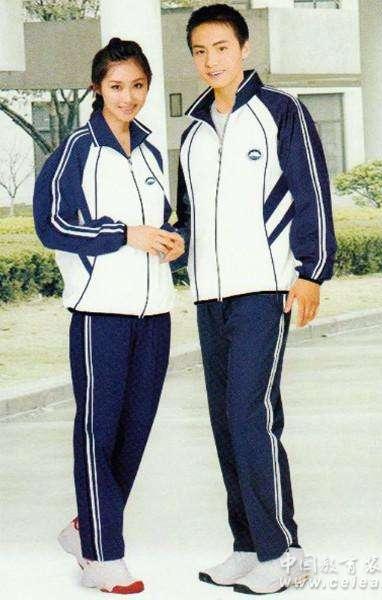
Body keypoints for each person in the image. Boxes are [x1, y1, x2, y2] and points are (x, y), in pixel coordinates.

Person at [173, 4, 337, 595]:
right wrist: (173, 242)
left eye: (221, 47)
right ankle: (247, 545)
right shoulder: (193, 131)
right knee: (225, 421)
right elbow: (189, 215)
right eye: (200, 50)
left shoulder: (280, 111)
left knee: (251, 414)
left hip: (264, 290)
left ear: (243, 49)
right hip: (209, 295)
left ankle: (283, 551)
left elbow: (311, 188)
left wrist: (313, 271)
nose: (210, 60)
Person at [33, 37, 184, 594]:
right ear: (97, 88)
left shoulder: (149, 152)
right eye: (117, 86)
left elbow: (162, 220)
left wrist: (173, 241)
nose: (128, 97)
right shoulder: (76, 150)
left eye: (138, 86)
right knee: (98, 432)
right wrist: (122, 234)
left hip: (155, 312)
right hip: (100, 313)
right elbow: (52, 225)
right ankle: (102, 554)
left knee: (134, 431)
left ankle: (86, 528)